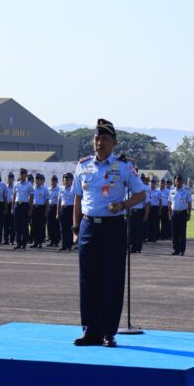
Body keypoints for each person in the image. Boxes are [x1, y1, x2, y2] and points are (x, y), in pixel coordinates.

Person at [71, 118, 145, 347]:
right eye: (96, 138)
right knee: (88, 279)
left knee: (111, 280)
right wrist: (75, 228)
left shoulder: (124, 167)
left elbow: (141, 194)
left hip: (113, 226)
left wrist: (123, 205)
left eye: (104, 139)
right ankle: (90, 330)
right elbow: (78, 197)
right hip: (88, 227)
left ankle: (108, 331)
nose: (99, 142)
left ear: (114, 143)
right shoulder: (83, 165)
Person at [168, 174, 192, 256]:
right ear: (175, 181)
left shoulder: (186, 191)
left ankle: (182, 250)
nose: (178, 182)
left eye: (180, 180)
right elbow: (169, 203)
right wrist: (169, 213)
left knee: (182, 232)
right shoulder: (172, 191)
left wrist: (189, 214)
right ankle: (176, 249)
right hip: (174, 213)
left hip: (182, 213)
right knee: (174, 233)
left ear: (182, 181)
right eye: (177, 180)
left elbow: (189, 203)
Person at [12, 168, 34, 250]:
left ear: (26, 175)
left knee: (24, 225)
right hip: (17, 205)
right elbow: (14, 197)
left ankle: (24, 243)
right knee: (17, 225)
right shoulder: (16, 184)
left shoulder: (29, 185)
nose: (21, 175)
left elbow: (31, 198)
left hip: (25, 205)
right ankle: (18, 243)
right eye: (20, 174)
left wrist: (31, 209)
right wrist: (12, 208)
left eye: (23, 174)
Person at [58, 173, 76, 251]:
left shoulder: (74, 189)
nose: (66, 181)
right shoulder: (61, 189)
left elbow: (76, 201)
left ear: (71, 180)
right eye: (65, 180)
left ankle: (69, 245)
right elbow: (59, 201)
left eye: (68, 180)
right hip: (63, 209)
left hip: (70, 209)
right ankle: (63, 245)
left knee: (69, 228)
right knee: (63, 228)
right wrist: (57, 213)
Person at [31, 173, 48, 248]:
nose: (36, 181)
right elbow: (31, 199)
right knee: (34, 225)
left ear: (41, 181)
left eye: (38, 179)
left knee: (41, 226)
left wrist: (46, 211)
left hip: (41, 208)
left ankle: (40, 242)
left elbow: (47, 201)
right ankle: (35, 241)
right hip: (34, 208)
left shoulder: (44, 189)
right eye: (35, 179)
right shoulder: (32, 188)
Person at [47, 175, 61, 247]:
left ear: (57, 182)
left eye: (54, 181)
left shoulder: (59, 189)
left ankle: (56, 241)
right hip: (50, 207)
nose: (53, 182)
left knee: (56, 225)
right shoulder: (48, 189)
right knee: (50, 225)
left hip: (56, 207)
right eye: (52, 181)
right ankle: (51, 240)